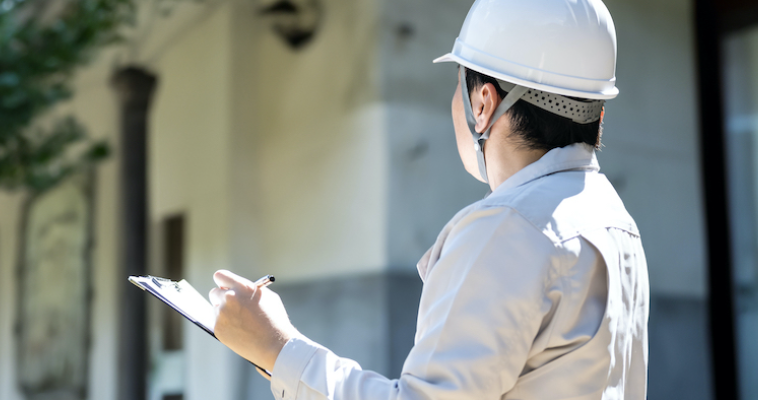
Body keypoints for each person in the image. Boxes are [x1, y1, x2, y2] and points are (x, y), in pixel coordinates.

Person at [208, 0, 649, 398]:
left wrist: (276, 347)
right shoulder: (615, 222)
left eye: (458, 85)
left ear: (483, 103)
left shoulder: (509, 230)